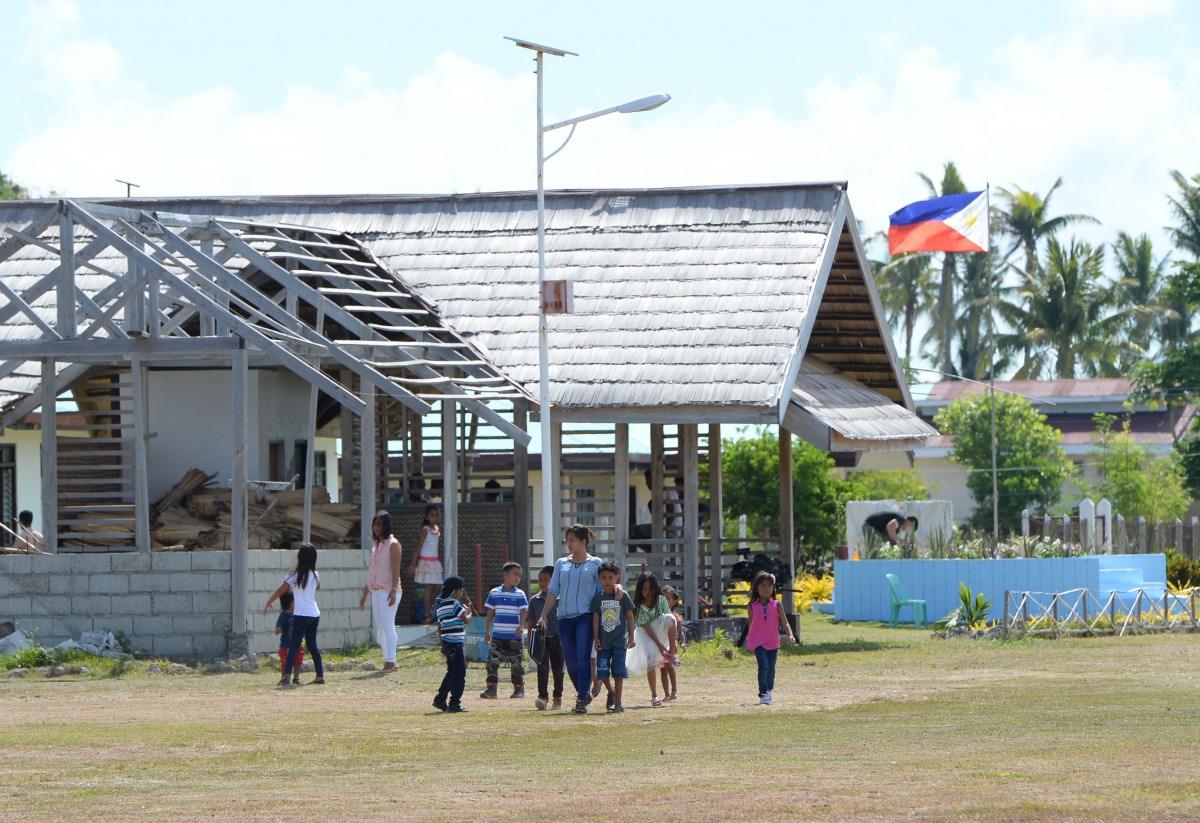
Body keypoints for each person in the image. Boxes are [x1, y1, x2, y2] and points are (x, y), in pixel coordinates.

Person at [535, 524, 605, 715]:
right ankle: (583, 692)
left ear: (584, 541)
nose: (569, 544)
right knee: (571, 662)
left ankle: (581, 698)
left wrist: (616, 593)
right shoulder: (561, 563)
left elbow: (602, 590)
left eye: (573, 540)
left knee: (583, 658)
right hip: (564, 617)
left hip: (585, 616)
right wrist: (543, 615)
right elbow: (553, 590)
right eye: (567, 540)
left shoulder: (596, 563)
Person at [264, 543, 325, 687]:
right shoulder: (315, 575)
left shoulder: (294, 576)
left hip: (301, 614)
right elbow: (318, 587)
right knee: (312, 646)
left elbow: (281, 591)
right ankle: (320, 675)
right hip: (314, 614)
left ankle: (286, 676)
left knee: (294, 645)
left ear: (300, 557)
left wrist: (269, 601)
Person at [626, 572, 678, 707]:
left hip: (658, 629)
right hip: (645, 633)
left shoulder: (661, 600)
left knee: (671, 618)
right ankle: (654, 695)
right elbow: (646, 628)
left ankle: (671, 654)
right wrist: (660, 646)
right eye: (644, 589)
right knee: (650, 658)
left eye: (650, 589)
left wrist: (668, 647)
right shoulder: (638, 605)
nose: (647, 592)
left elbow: (668, 619)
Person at [359, 510, 402, 672]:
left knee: (388, 625)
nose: (377, 527)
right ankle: (388, 659)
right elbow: (372, 571)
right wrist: (364, 596)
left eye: (380, 524)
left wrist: (392, 590)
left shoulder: (393, 544)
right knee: (380, 626)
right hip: (376, 590)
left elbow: (396, 570)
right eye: (375, 524)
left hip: (388, 590)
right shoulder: (376, 545)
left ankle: (390, 661)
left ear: (386, 526)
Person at [591, 561, 636, 714]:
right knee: (603, 672)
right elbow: (596, 618)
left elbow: (630, 616)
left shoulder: (622, 596)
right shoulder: (597, 598)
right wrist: (596, 637)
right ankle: (610, 691)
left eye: (611, 577)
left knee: (618, 672)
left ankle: (618, 702)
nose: (607, 581)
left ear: (617, 577)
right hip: (603, 642)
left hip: (619, 641)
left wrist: (631, 636)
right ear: (599, 578)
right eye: (604, 578)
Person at [746, 570, 797, 705]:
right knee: (763, 666)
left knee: (771, 668)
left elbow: (785, 622)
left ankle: (769, 690)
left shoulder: (777, 605)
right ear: (757, 588)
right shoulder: (751, 606)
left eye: (769, 586)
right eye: (763, 586)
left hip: (773, 641)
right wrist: (750, 641)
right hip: (758, 642)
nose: (766, 588)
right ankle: (763, 693)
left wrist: (790, 635)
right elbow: (752, 624)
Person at [480, 562, 528, 699]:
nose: (517, 578)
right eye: (515, 574)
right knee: (492, 662)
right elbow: (490, 613)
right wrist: (487, 632)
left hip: (514, 637)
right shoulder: (494, 593)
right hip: (497, 636)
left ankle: (518, 689)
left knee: (516, 663)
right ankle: (491, 689)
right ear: (505, 574)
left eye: (520, 575)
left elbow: (523, 612)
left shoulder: (520, 594)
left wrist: (521, 627)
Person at [433, 575, 473, 713]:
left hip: (447, 644)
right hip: (456, 644)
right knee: (460, 673)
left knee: (451, 672)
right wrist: (469, 612)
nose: (461, 593)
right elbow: (465, 620)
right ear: (456, 591)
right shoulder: (455, 604)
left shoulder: (440, 606)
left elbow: (440, 627)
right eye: (461, 591)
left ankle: (440, 698)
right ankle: (455, 702)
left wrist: (442, 644)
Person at [526, 565, 564, 710]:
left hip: (558, 638)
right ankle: (543, 697)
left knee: (558, 669)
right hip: (541, 639)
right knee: (542, 668)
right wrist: (530, 641)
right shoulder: (534, 601)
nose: (542, 583)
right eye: (540, 580)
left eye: (545, 580)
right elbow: (530, 622)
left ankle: (557, 697)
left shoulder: (560, 599)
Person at [410, 504, 444, 625]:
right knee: (429, 587)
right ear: (426, 517)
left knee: (437, 587)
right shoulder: (425, 531)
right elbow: (419, 548)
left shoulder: (436, 530)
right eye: (432, 515)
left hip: (434, 561)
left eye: (436, 515)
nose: (434, 518)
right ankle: (426, 615)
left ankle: (429, 611)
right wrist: (413, 564)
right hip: (426, 562)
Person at [274, 590, 303, 685]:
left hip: (297, 644)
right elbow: (279, 626)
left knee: (298, 661)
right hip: (286, 644)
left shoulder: (298, 614)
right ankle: (284, 678)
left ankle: (296, 678)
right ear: (290, 602)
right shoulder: (284, 615)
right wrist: (278, 629)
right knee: (285, 662)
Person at [660, 585, 684, 701]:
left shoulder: (675, 616)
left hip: (671, 646)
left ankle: (674, 690)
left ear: (674, 601)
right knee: (662, 670)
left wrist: (682, 642)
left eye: (667, 599)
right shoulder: (658, 616)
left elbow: (680, 631)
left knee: (670, 668)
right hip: (661, 647)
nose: (664, 601)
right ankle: (666, 693)